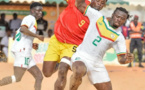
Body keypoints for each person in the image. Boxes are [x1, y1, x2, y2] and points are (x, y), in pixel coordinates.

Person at [42, 0, 107, 90]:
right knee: (47, 73)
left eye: (102, 3)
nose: (99, 4)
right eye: (98, 0)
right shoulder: (78, 1)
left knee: (62, 70)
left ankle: (66, 64)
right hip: (56, 40)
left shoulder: (97, 21)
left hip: (72, 46)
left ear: (104, 6)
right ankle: (60, 64)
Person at [69, 0, 133, 90]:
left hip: (97, 64)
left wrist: (126, 60)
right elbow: (79, 4)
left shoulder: (119, 37)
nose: (119, 19)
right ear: (112, 15)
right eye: (117, 16)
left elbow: (121, 59)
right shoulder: (98, 17)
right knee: (79, 70)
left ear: (124, 21)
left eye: (122, 18)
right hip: (81, 56)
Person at [0, 2, 44, 90]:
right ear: (32, 10)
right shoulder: (30, 18)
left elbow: (16, 35)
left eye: (41, 11)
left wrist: (31, 44)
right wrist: (38, 36)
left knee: (39, 76)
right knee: (17, 78)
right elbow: (23, 29)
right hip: (22, 52)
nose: (40, 13)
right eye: (38, 10)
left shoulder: (30, 20)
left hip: (25, 51)